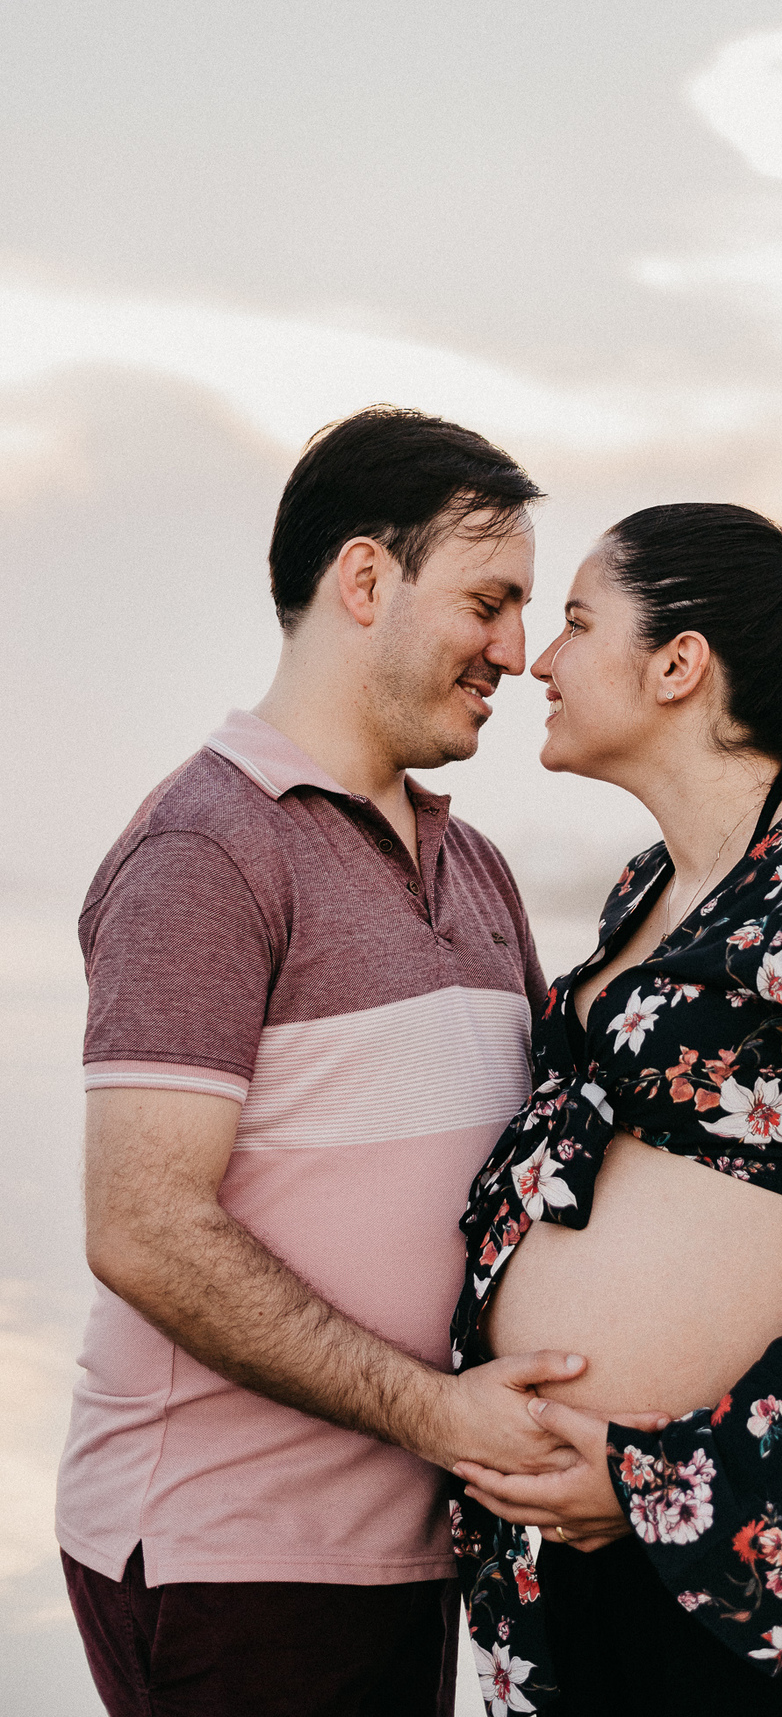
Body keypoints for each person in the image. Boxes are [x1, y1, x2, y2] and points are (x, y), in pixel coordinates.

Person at [58, 406, 598, 1717]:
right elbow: (143, 1228)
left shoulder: (475, 869)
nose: (517, 654)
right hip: (229, 1554)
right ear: (366, 580)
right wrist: (435, 1411)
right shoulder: (206, 851)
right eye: (490, 599)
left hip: (416, 1548)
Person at [449, 505, 782, 1716]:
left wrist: (679, 1482)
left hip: (776, 1552)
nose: (540, 657)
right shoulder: (645, 887)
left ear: (679, 662)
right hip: (583, 1546)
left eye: (579, 622)